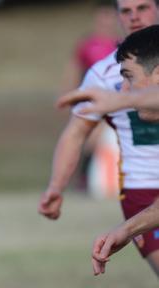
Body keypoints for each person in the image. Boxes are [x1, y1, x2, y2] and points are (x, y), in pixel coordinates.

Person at [38, 0, 159, 276]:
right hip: (143, 188)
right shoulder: (104, 72)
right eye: (126, 11)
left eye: (143, 8)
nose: (135, 17)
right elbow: (75, 132)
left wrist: (119, 100)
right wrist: (56, 187)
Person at [59, 0, 120, 197]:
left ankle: (90, 178)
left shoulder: (120, 45)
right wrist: (67, 94)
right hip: (89, 102)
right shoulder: (87, 44)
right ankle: (81, 178)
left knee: (98, 141)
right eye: (102, 15)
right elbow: (74, 69)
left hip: (113, 102)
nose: (106, 20)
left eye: (110, 15)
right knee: (84, 140)